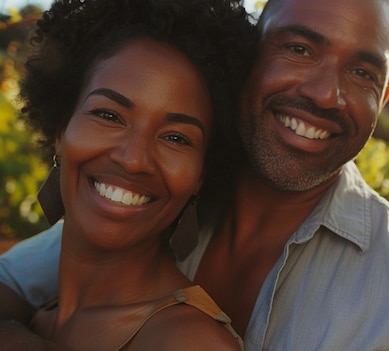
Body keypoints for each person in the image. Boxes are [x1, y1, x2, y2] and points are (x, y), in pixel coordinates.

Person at [0, 0, 389, 349]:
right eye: (298, 49)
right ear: (251, 57)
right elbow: (19, 283)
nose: (323, 93)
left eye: (362, 72)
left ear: (382, 97)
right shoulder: (154, 202)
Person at [0, 0, 256, 350]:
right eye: (109, 116)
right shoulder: (40, 315)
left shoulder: (188, 342)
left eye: (176, 138)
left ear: (201, 175)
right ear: (62, 130)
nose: (134, 159)